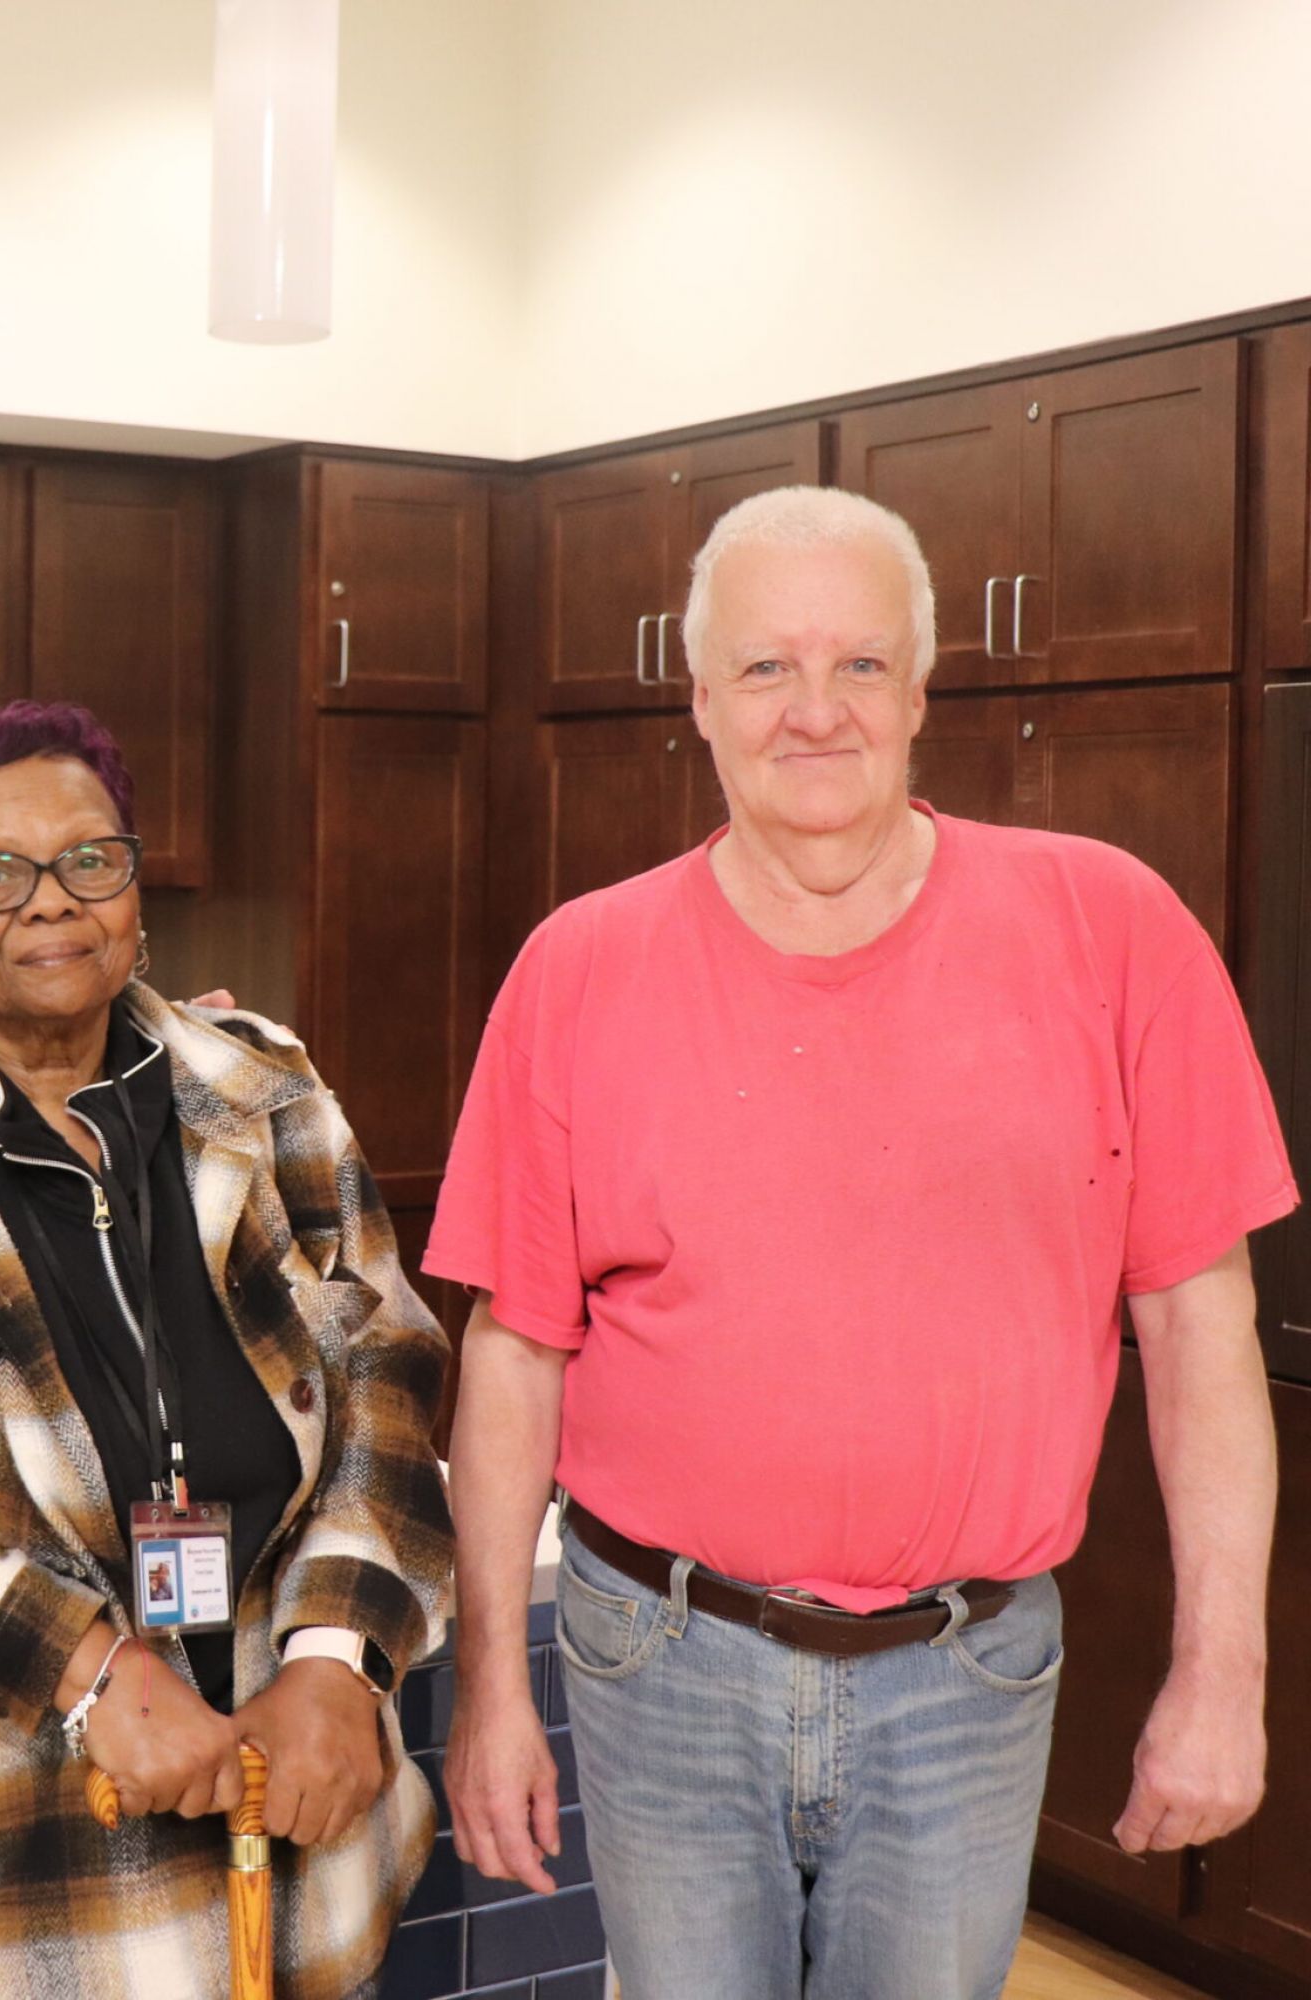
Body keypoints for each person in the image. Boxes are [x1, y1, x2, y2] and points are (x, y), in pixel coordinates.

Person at [429, 484, 1294, 2000]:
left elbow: (1200, 1327)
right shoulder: (577, 968)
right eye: (766, 668)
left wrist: (1225, 1675)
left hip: (966, 1672)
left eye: (860, 665)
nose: (814, 711)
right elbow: (514, 1353)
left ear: (922, 684)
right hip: (658, 1661)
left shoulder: (1112, 929)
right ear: (698, 697)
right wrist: (495, 1684)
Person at [0, 701, 454, 2000]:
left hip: (285, 1841)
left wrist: (339, 1661)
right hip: (3, 1879)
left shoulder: (266, 1091)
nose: (50, 902)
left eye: (91, 860)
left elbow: (386, 1380)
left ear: (136, 883)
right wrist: (87, 1667)